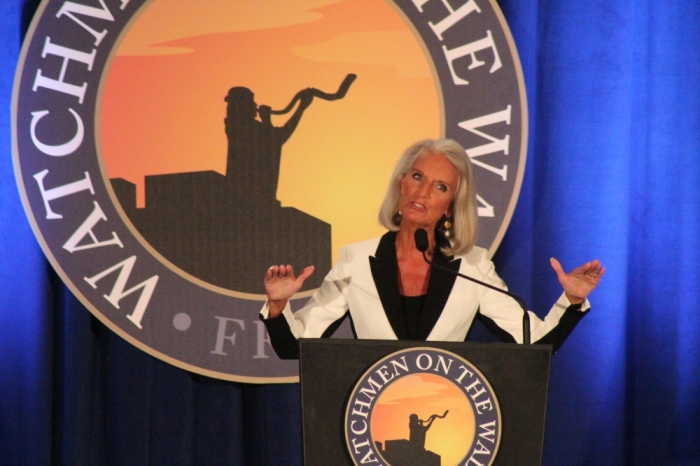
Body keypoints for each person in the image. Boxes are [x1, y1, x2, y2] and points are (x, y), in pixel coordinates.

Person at [260, 139, 604, 359]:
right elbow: (294, 345)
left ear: (451, 206)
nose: (422, 192)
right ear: (401, 182)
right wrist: (278, 306)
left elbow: (534, 342)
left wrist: (571, 301)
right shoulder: (356, 260)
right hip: (371, 416)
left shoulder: (473, 266)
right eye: (417, 177)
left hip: (445, 418)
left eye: (439, 187)